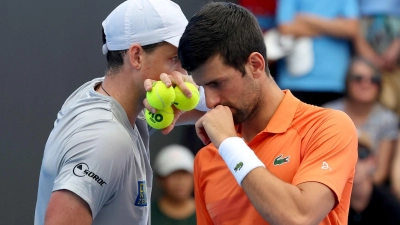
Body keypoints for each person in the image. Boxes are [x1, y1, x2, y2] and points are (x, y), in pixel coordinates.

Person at [177, 2, 358, 225]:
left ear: (255, 64)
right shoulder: (208, 158)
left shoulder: (328, 127)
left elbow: (299, 217)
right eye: (204, 88)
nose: (212, 101)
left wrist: (229, 143)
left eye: (218, 83)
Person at [33, 0, 197, 224]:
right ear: (136, 56)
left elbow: (220, 106)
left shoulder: (106, 97)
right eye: (174, 59)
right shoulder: (106, 139)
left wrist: (191, 98)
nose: (183, 71)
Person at [323, 57, 398, 185]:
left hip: (368, 190)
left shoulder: (388, 119)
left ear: (380, 86)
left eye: (373, 80)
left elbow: (380, 174)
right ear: (347, 82)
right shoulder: (327, 113)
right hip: (329, 183)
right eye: (358, 78)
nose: (366, 84)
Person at [274, 0, 359, 106]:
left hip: (334, 82)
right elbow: (285, 29)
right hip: (295, 81)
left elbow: (351, 29)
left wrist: (306, 19)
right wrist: (334, 25)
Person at [348, 132, 400, 225]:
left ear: (372, 161)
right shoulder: (333, 201)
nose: (355, 161)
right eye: (349, 155)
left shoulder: (389, 204)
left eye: (362, 154)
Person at [151, 144, 196, 225]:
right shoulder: (145, 214)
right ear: (160, 179)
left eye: (184, 173)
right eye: (173, 174)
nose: (180, 181)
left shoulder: (208, 214)